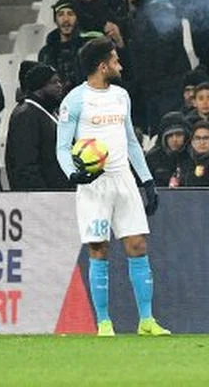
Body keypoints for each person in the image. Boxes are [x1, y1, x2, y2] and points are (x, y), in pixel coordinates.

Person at [54, 37, 168, 337]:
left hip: (123, 181)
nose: (121, 64)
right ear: (102, 66)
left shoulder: (121, 96)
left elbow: (130, 140)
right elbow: (63, 147)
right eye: (116, 60)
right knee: (98, 248)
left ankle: (146, 320)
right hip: (94, 185)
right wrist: (73, 175)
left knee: (137, 245)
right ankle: (104, 323)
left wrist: (146, 180)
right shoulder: (75, 100)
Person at [6, 61, 69, 189]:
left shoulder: (48, 111)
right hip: (41, 198)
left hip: (57, 193)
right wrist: (40, 197)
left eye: (59, 81)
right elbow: (25, 163)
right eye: (53, 82)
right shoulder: (27, 115)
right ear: (38, 87)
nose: (59, 86)